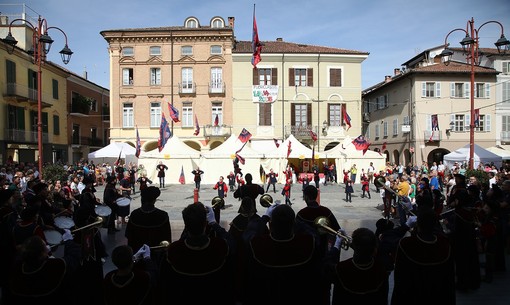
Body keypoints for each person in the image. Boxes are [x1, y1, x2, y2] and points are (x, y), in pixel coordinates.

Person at [243, 203, 322, 305]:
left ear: (271, 224)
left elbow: (248, 235)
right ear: (293, 224)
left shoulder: (259, 246)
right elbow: (314, 234)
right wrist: (292, 219)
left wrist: (265, 217)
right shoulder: (307, 244)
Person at [158, 202, 235, 304]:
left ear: (186, 225)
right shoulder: (220, 247)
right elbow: (233, 243)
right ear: (205, 224)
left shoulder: (174, 251)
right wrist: (214, 223)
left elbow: (165, 285)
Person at [391, 208, 456, 305]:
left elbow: (400, 278)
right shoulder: (444, 244)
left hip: (413, 295)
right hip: (437, 295)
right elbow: (449, 279)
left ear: (418, 224)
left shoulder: (407, 244)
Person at [295, 184, 341, 305]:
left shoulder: (301, 214)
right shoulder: (326, 212)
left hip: (306, 258)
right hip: (324, 255)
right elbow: (337, 231)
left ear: (305, 197)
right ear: (316, 196)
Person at [8, 233, 81, 305]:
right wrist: (69, 241)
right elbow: (74, 256)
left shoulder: (17, 269)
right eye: (44, 246)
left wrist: (45, 254)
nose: (47, 246)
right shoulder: (54, 267)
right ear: (41, 255)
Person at [325, 227, 389, 305]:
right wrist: (350, 240)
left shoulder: (341, 268)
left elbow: (325, 265)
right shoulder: (381, 269)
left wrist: (336, 246)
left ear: (355, 246)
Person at [228, 197, 268, 304]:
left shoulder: (236, 221)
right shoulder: (259, 220)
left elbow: (230, 240)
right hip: (257, 256)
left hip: (240, 256)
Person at [125, 186, 172, 266]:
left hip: (138, 253)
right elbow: (166, 239)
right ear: (154, 200)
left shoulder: (135, 215)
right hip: (156, 255)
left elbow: (129, 235)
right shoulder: (162, 216)